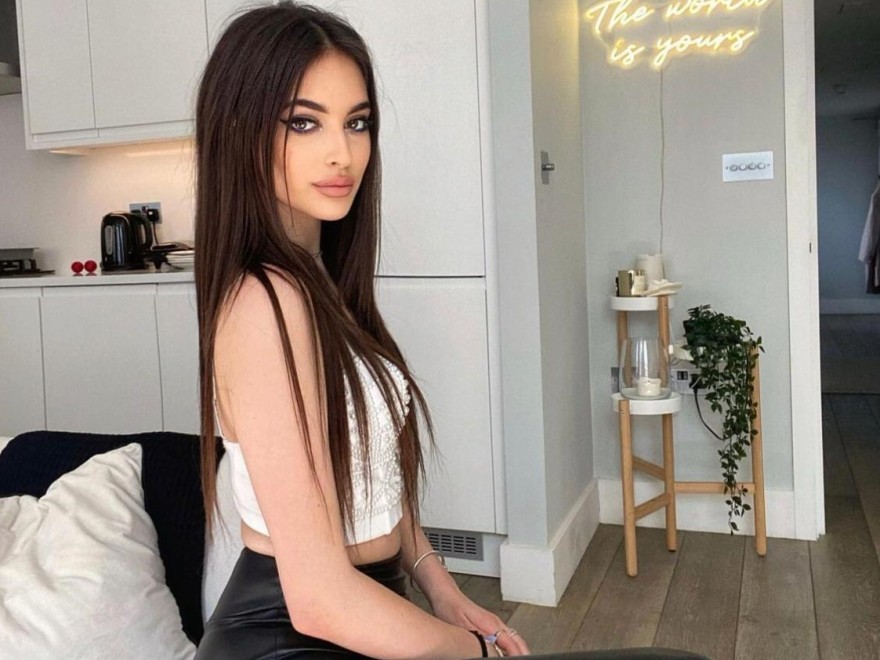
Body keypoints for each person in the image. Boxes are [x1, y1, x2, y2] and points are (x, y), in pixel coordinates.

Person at [192, 3, 528, 658]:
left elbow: (372, 476)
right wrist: (477, 654)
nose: (342, 153)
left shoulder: (319, 281)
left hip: (369, 607)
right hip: (291, 634)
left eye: (357, 122)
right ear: (238, 129)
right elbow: (319, 599)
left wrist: (439, 585)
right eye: (303, 122)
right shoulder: (265, 302)